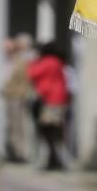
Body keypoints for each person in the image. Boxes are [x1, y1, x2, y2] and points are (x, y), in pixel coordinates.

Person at [27, 41, 69, 171]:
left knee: (47, 131)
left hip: (50, 101)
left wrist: (33, 61)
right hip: (59, 100)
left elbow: (32, 73)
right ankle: (54, 159)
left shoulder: (48, 61)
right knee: (54, 131)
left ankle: (54, 160)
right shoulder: (58, 62)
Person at [0, 33, 34, 163]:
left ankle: (20, 153)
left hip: (18, 96)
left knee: (19, 126)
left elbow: (21, 79)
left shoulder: (25, 59)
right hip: (13, 95)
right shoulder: (16, 59)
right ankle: (15, 151)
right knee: (13, 125)